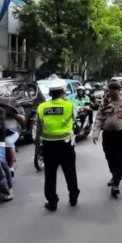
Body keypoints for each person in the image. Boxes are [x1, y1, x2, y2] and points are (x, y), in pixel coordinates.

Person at [36, 79, 80, 211]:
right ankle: (73, 196)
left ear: (50, 93)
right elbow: (75, 121)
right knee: (70, 172)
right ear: (63, 92)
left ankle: (52, 201)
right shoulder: (70, 105)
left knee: (50, 175)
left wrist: (37, 145)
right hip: (66, 145)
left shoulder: (42, 107)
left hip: (48, 146)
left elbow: (39, 127)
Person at [93, 82, 122, 198]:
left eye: (117, 89)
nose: (114, 91)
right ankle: (114, 174)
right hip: (108, 135)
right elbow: (99, 118)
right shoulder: (105, 102)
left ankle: (116, 183)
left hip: (121, 134)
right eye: (112, 89)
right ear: (109, 90)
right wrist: (95, 132)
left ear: (120, 90)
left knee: (119, 157)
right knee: (109, 156)